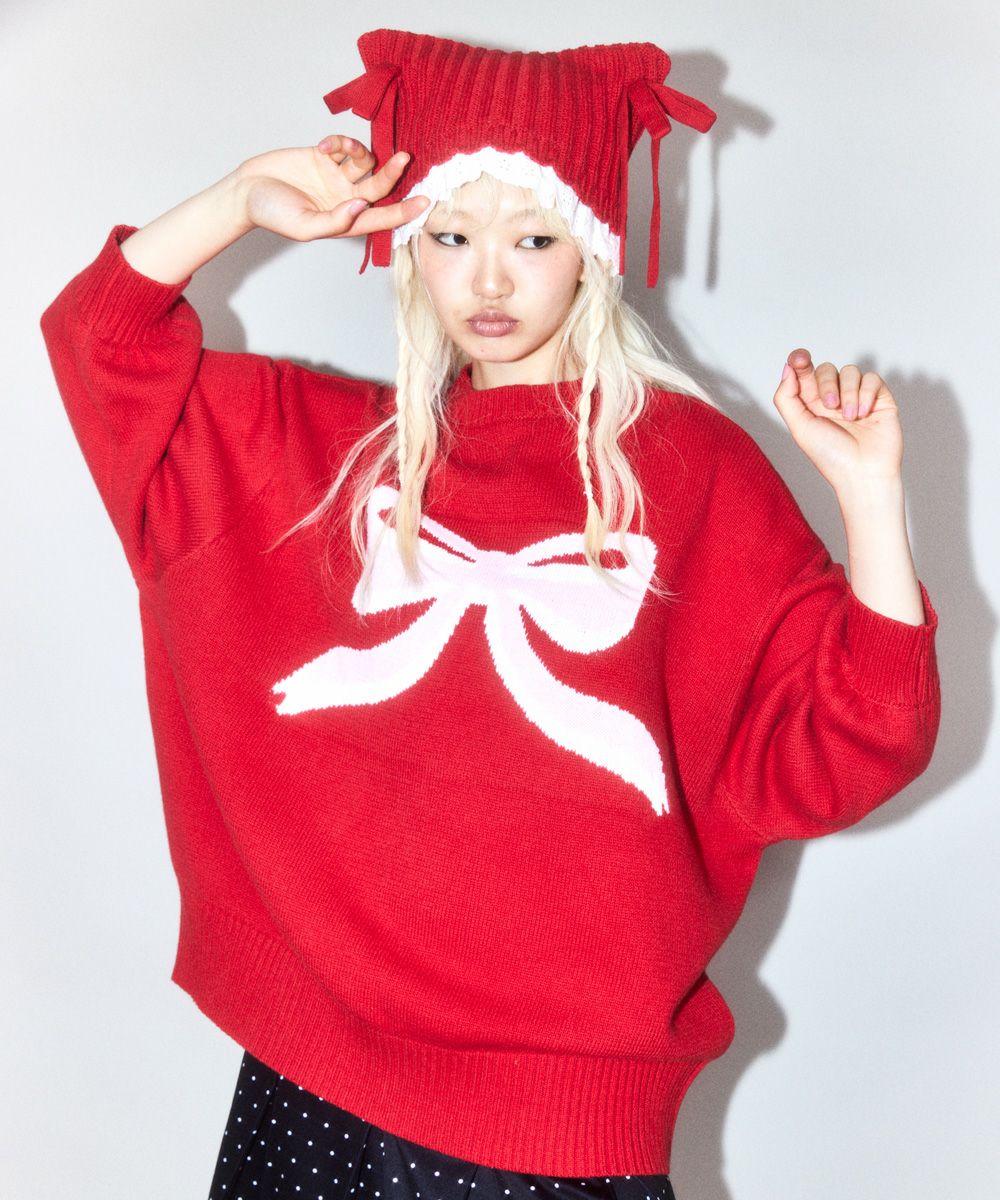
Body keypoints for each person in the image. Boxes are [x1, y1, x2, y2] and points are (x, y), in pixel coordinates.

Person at [39, 27, 941, 1200]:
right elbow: (101, 347)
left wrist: (870, 498)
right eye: (452, 236)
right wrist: (239, 200)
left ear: (595, 247)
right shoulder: (332, 457)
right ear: (407, 242)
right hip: (314, 1079)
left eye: (533, 237)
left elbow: (859, 741)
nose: (491, 281)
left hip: (555, 1127)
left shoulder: (691, 472)